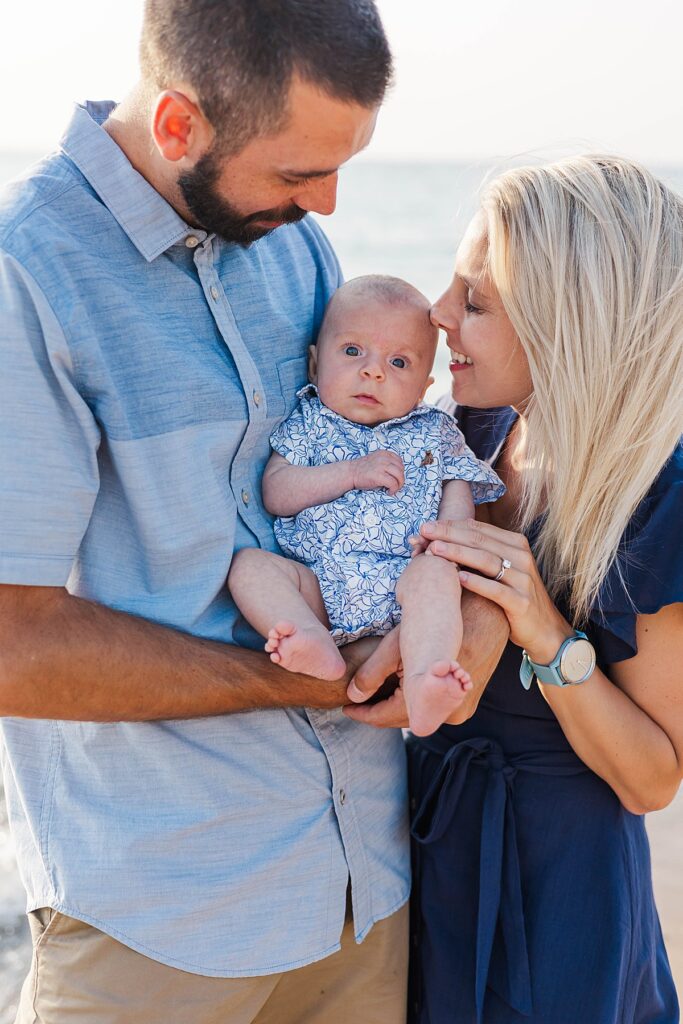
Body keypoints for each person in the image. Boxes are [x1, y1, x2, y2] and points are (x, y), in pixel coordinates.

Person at [0, 3, 511, 1021]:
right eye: (293, 173)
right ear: (181, 126)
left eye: (339, 166)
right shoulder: (28, 274)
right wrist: (297, 681)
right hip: (163, 917)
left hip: (363, 889)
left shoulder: (290, 248)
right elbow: (12, 643)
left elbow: (396, 469)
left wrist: (467, 622)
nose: (325, 205)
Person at [346, 156, 683, 1023]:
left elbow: (651, 779)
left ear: (569, 323)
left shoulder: (656, 496)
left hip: (558, 884)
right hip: (424, 839)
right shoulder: (474, 429)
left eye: (477, 302)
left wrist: (542, 630)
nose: (438, 314)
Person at [229, 275, 504, 735]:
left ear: (422, 386)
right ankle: (309, 639)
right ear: (315, 363)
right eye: (353, 351)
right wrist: (350, 473)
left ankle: (424, 678)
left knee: (437, 580)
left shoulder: (435, 432)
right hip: (318, 584)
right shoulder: (310, 419)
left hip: (405, 582)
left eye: (398, 362)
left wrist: (439, 550)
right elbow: (276, 492)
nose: (373, 371)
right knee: (249, 568)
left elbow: (457, 500)